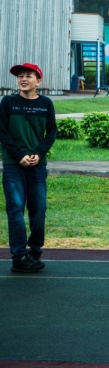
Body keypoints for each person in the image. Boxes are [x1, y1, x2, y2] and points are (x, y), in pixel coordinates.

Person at [0, 63, 56, 273]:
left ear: (38, 81)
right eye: (20, 76)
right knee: (15, 209)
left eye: (28, 76)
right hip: (13, 165)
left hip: (37, 166)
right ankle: (19, 256)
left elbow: (51, 133)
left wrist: (38, 153)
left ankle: (34, 252)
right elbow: (2, 132)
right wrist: (19, 155)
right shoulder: (8, 102)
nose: (23, 79)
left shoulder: (45, 103)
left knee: (39, 210)